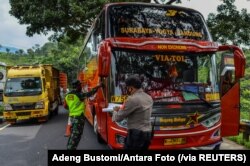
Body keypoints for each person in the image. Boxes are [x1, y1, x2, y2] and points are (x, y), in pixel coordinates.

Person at [112, 75, 153, 150]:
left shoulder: (132, 99)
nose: (126, 90)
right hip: (148, 134)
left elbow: (118, 118)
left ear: (131, 88)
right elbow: (139, 111)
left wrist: (115, 110)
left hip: (136, 136)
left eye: (127, 88)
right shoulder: (149, 97)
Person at [64, 80, 102, 150]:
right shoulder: (79, 95)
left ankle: (69, 148)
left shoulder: (67, 95)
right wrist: (98, 86)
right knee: (76, 137)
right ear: (77, 86)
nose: (81, 87)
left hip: (72, 117)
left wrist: (73, 107)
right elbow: (90, 93)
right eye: (80, 85)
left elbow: (65, 106)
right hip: (78, 118)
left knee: (73, 136)